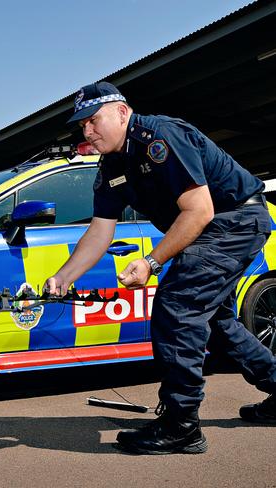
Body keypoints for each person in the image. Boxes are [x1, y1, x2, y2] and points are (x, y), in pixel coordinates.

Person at [45, 81, 276, 455]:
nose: (87, 130)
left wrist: (151, 263)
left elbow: (199, 210)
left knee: (177, 308)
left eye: (93, 120)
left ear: (122, 111)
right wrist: (62, 277)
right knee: (216, 322)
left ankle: (181, 426)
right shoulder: (112, 167)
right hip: (208, 229)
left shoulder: (160, 137)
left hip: (234, 220)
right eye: (82, 124)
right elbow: (99, 231)